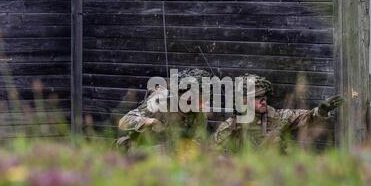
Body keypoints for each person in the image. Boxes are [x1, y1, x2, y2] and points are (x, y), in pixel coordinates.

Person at [214, 74, 344, 151]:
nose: (263, 101)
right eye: (257, 98)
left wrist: (321, 110)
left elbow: (304, 117)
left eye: (265, 96)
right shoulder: (230, 127)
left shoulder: (276, 117)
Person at [116, 68, 212, 150]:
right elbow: (124, 122)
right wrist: (149, 121)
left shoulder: (199, 114)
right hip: (142, 150)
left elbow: (197, 142)